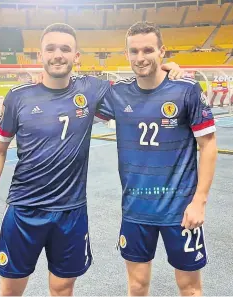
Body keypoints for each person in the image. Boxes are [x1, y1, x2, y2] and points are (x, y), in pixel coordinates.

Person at [0, 23, 183, 296]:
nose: (57, 54)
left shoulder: (92, 90)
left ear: (76, 56)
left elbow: (137, 87)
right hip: (24, 210)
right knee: (11, 289)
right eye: (50, 48)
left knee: (63, 288)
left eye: (65, 48)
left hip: (71, 212)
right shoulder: (18, 97)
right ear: (40, 55)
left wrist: (164, 67)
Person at [97, 21, 217, 296]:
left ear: (162, 51)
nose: (141, 58)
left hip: (181, 211)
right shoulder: (118, 93)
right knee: (137, 286)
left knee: (190, 288)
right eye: (134, 51)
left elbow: (208, 145)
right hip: (136, 209)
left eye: (148, 50)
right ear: (126, 54)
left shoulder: (186, 90)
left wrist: (199, 201)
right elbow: (76, 96)